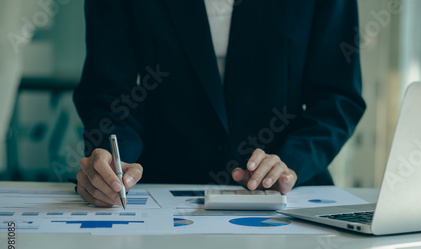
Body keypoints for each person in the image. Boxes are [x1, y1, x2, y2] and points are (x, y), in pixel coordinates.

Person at [73, 0, 366, 207]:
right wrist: (114, 160)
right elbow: (109, 91)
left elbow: (337, 95)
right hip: (160, 193)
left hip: (286, 197)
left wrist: (293, 161)